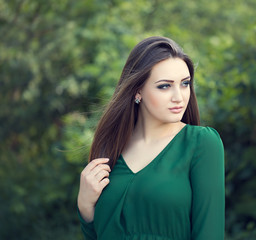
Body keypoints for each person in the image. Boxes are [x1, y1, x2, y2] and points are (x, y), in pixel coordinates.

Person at [77, 36, 225, 240]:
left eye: (185, 84)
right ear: (138, 90)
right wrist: (85, 209)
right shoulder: (111, 149)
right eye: (165, 86)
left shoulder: (201, 143)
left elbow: (210, 234)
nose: (179, 97)